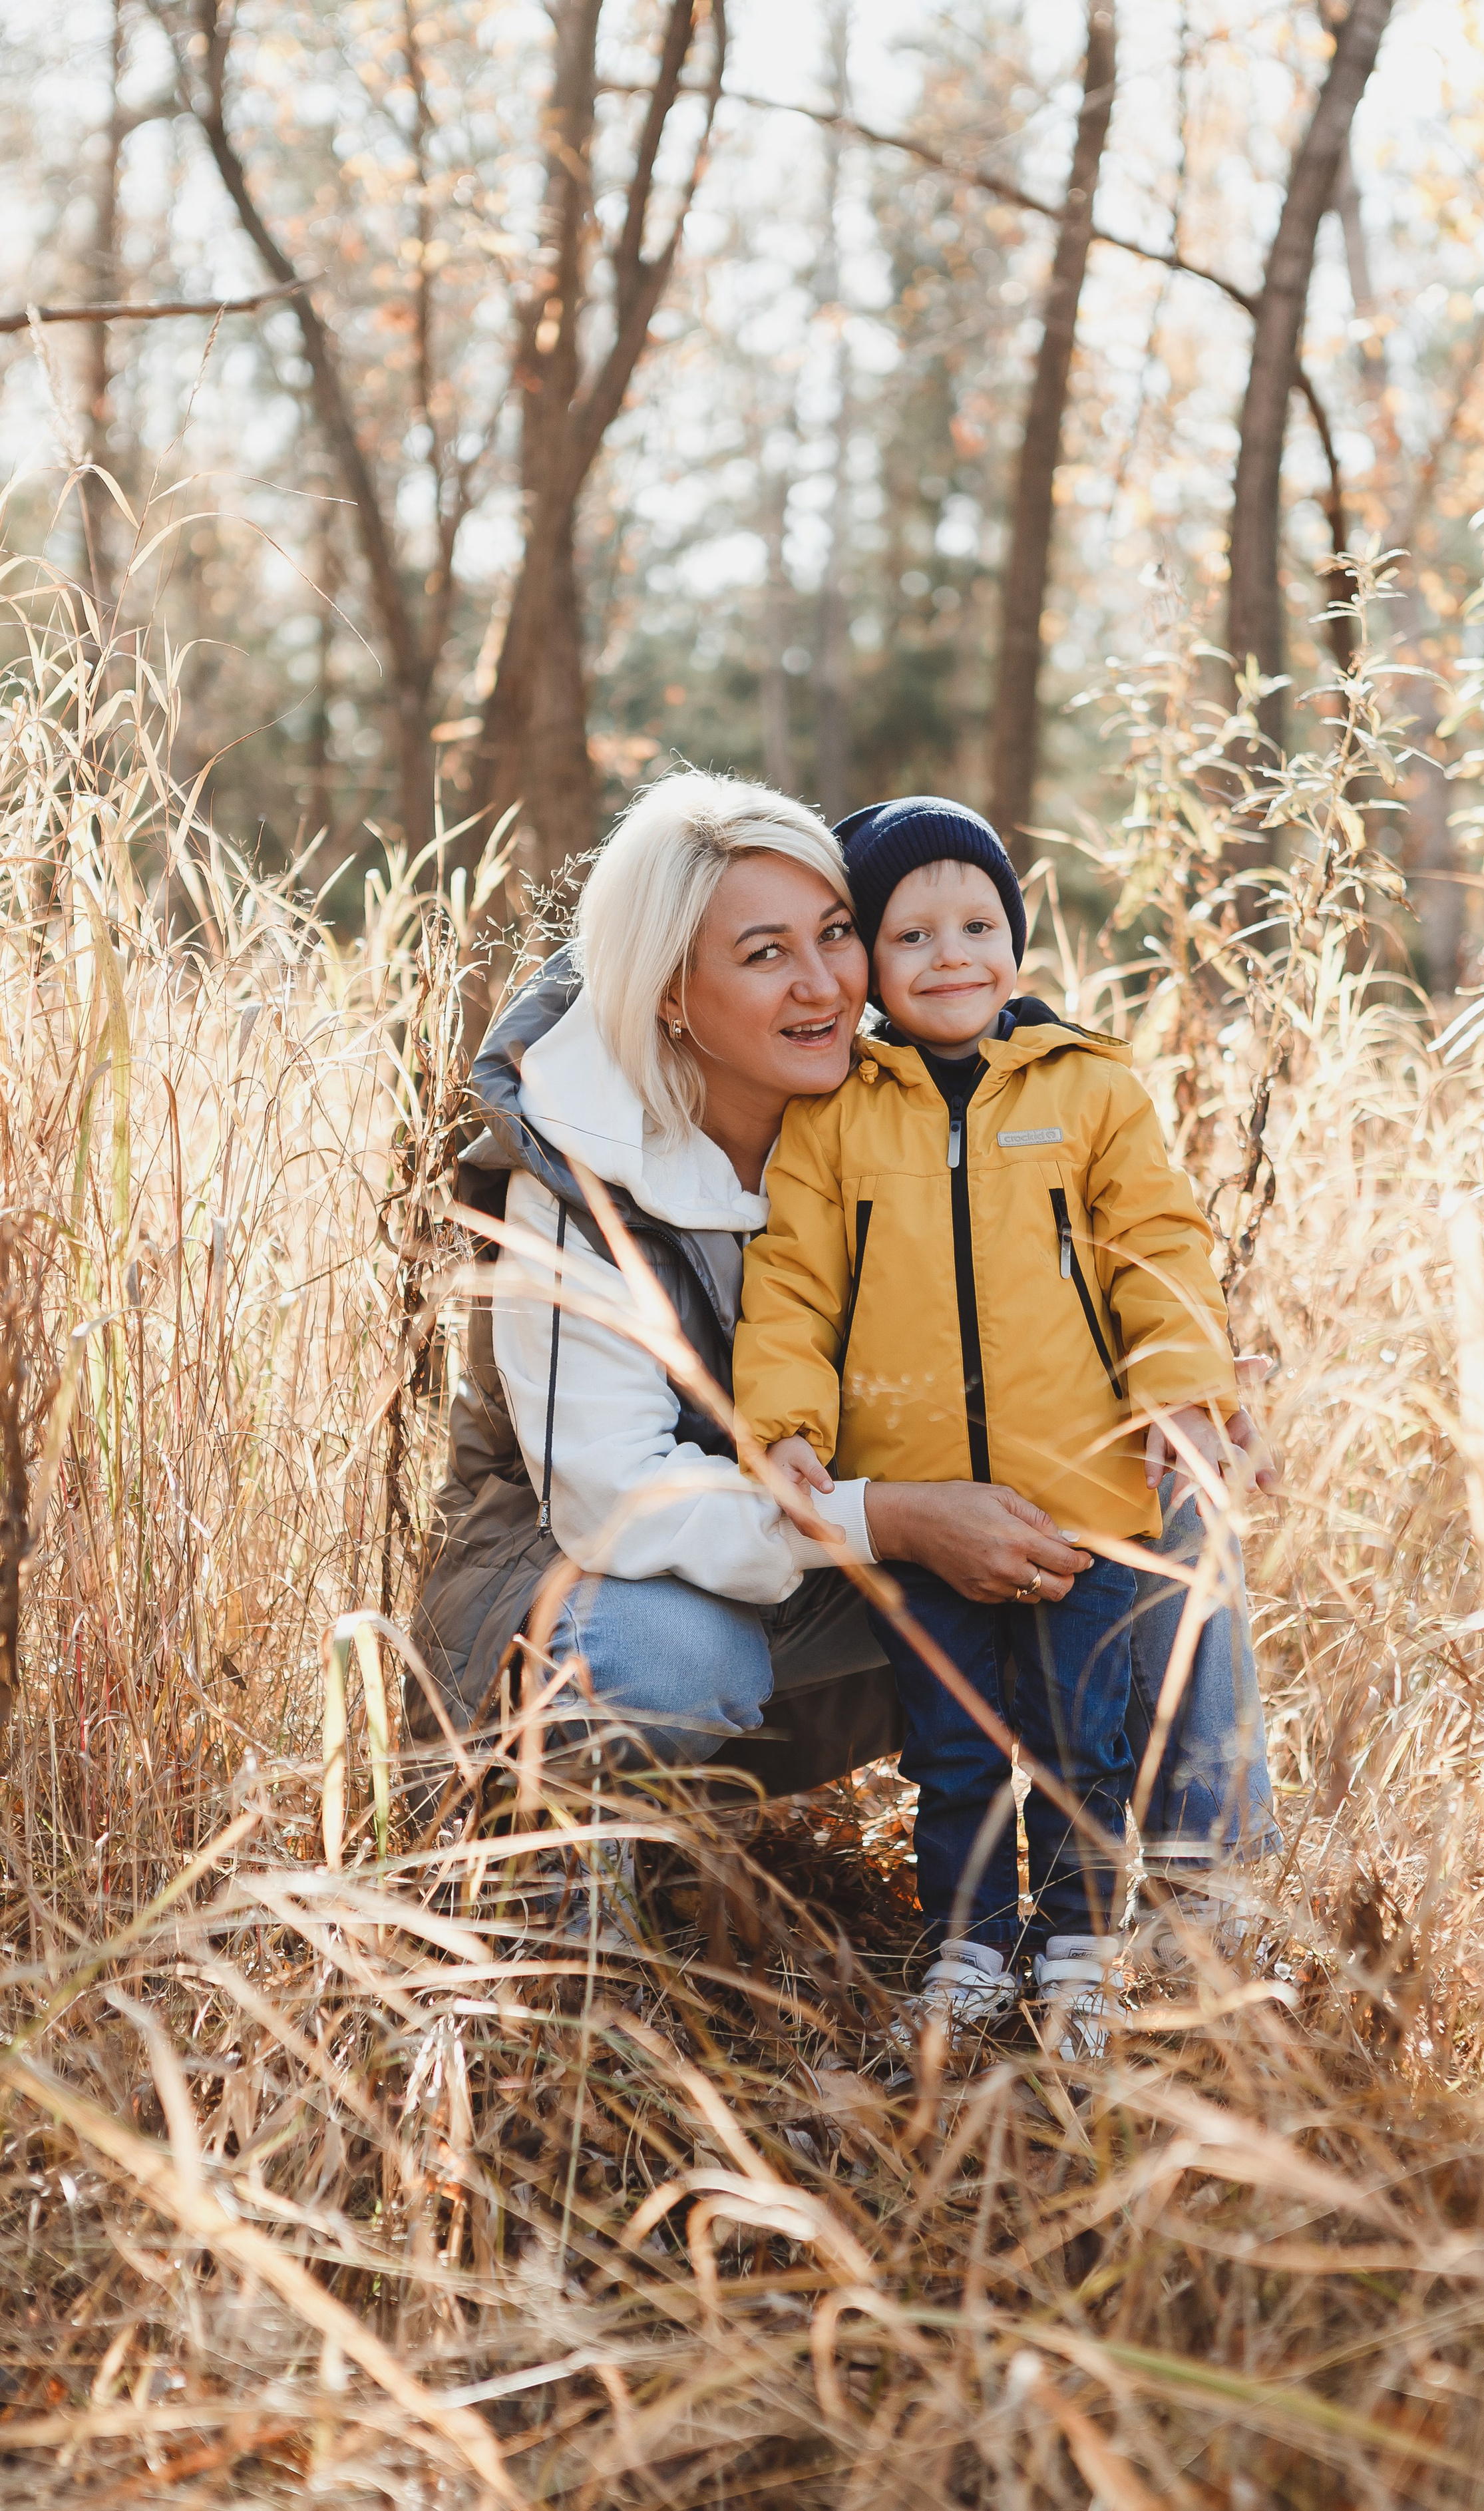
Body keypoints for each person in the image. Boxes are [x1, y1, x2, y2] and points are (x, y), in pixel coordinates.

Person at [407, 771, 1278, 1957]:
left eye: (836, 935)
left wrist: (1174, 1390)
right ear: (672, 991)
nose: (825, 986)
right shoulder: (571, 1178)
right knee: (664, 1654)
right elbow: (610, 1498)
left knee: (1166, 1505)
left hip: (852, 1547)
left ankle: (1214, 1940)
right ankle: (556, 1930)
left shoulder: (919, 1096)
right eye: (766, 955)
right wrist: (899, 1521)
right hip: (613, 1590)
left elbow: (1104, 1257)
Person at [735, 796, 1262, 2053]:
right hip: (921, 1511)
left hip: (1085, 1492)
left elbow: (1158, 1248)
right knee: (957, 1749)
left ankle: (1078, 1953)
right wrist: (787, 1427)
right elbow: (793, 1294)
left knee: (1083, 1743)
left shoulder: (1088, 1088)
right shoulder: (836, 1115)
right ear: (868, 963)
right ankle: (967, 1948)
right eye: (912, 935)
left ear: (1016, 939)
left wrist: (1184, 1388)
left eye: (979, 923)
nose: (953, 955)